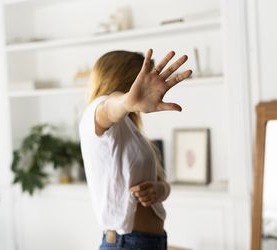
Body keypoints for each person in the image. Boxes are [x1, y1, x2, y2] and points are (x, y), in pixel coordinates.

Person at [79, 49, 192, 250]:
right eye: (143, 77)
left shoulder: (130, 131)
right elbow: (108, 107)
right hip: (127, 243)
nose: (149, 82)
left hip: (150, 242)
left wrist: (158, 190)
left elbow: (162, 185)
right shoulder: (97, 111)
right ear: (126, 78)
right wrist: (126, 102)